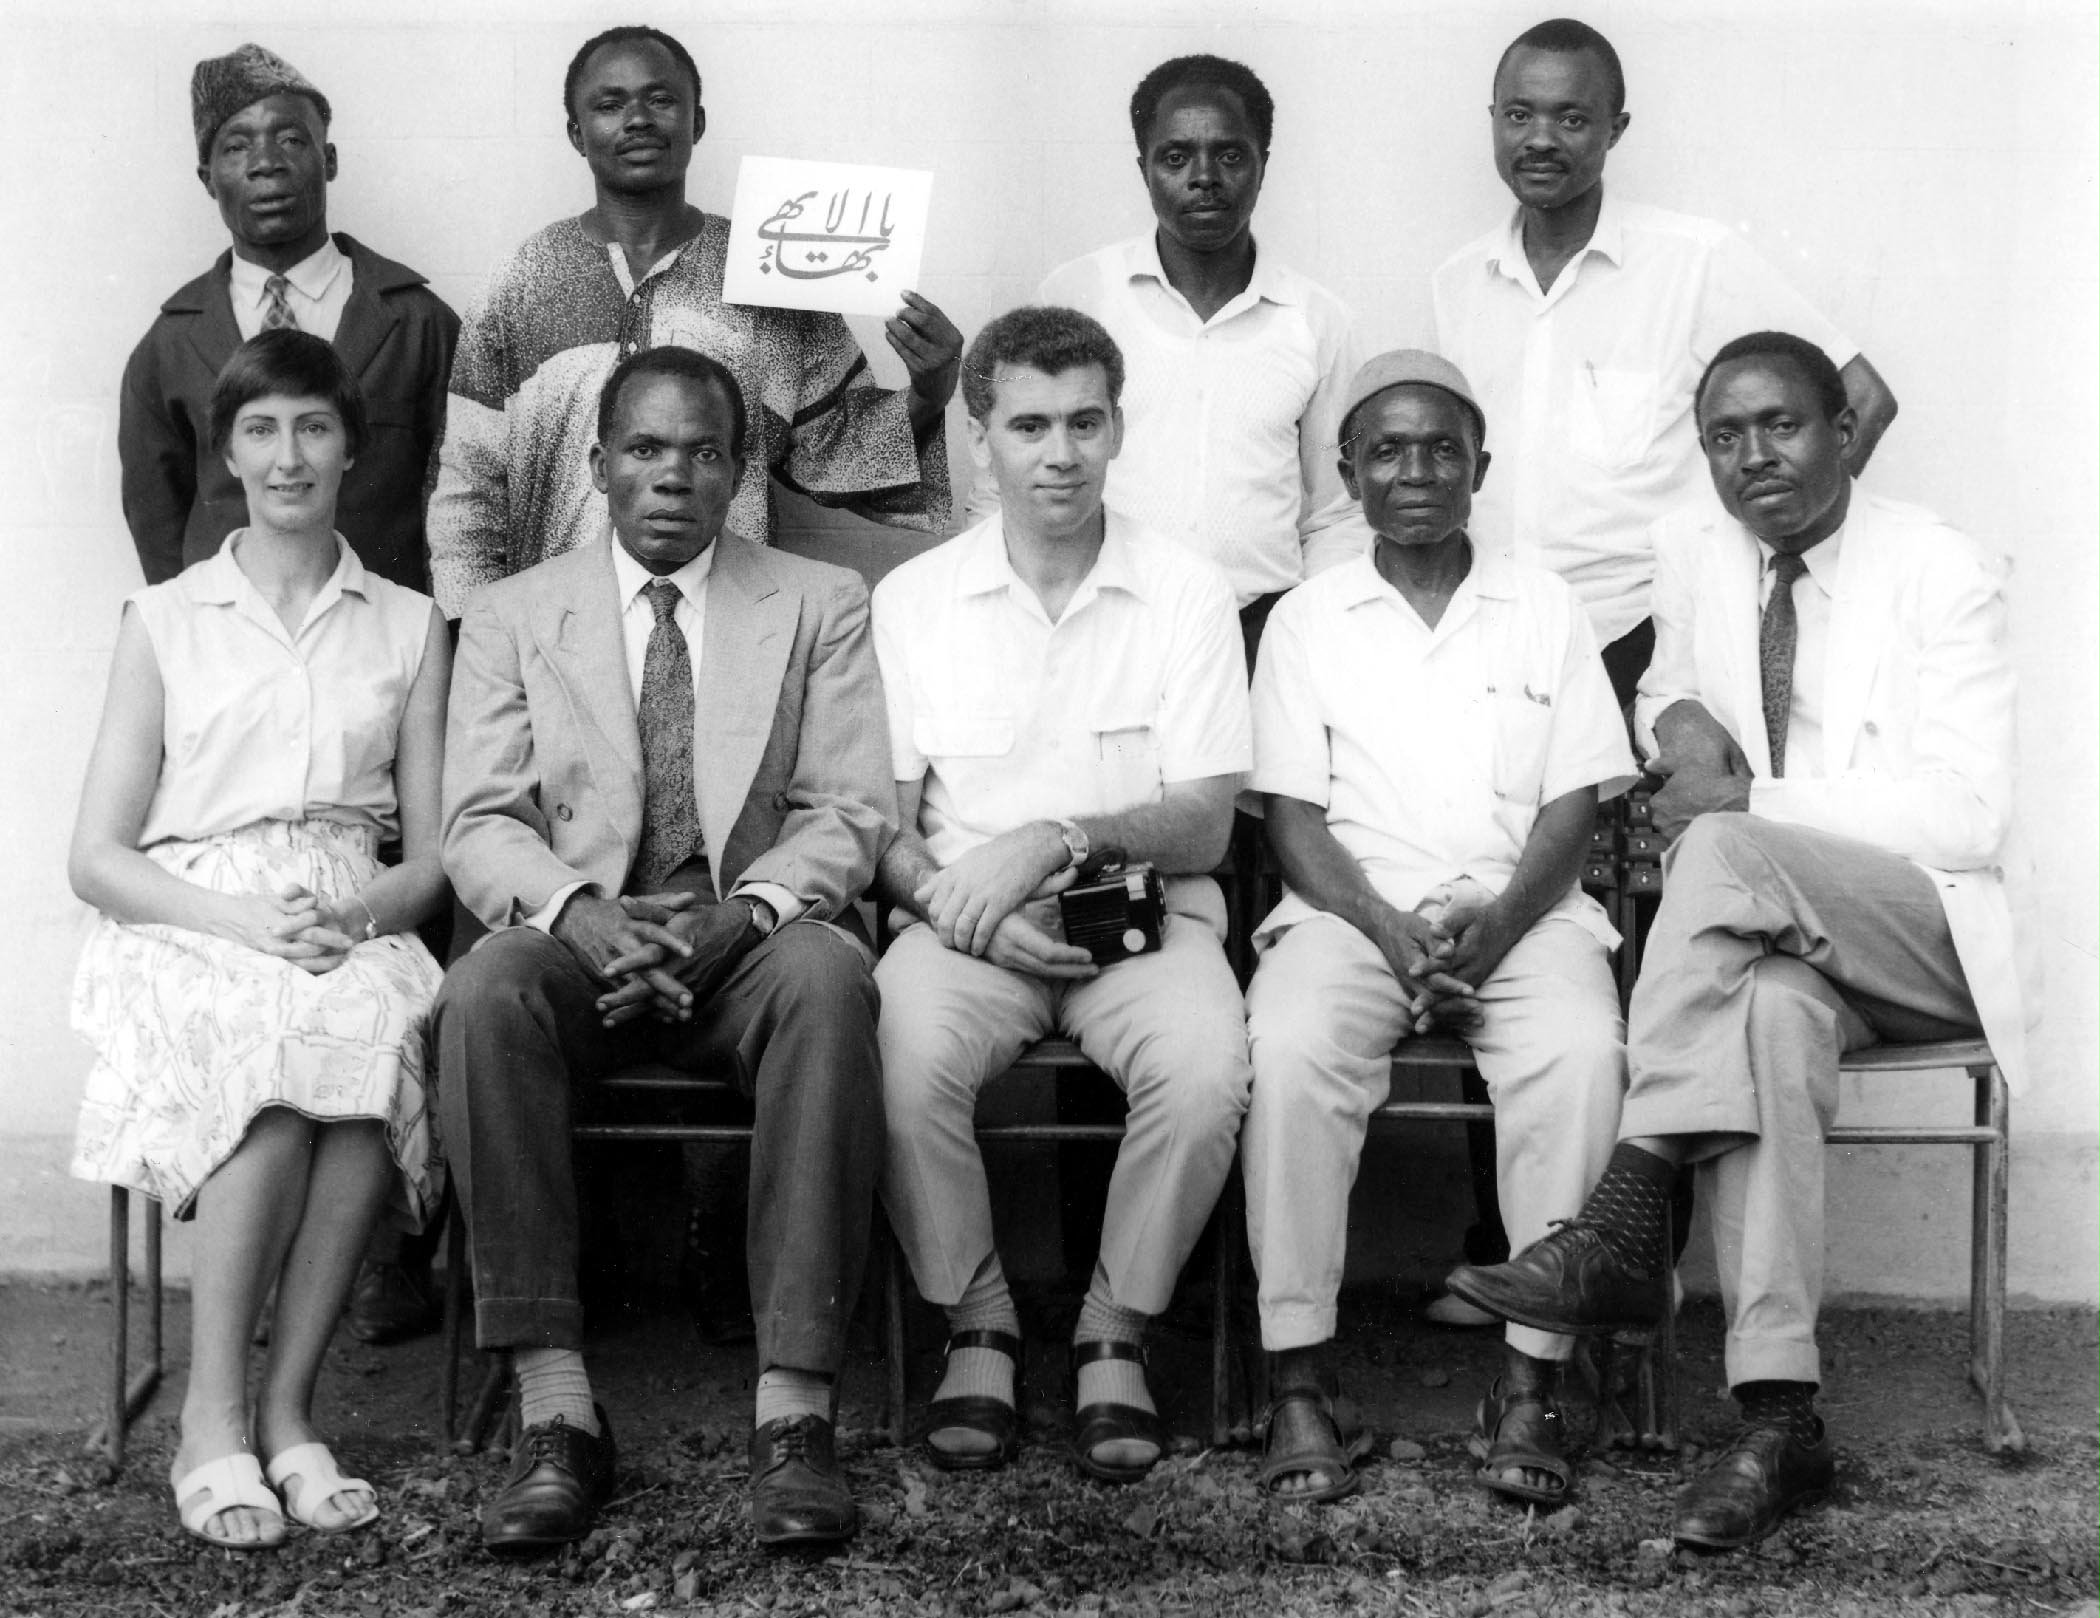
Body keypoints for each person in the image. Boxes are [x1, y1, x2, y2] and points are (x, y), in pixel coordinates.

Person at [1447, 332, 2038, 1549]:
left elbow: (1969, 813)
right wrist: (1681, 715)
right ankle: (1780, 1418)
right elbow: (1663, 677)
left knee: (1714, 852)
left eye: (1781, 425)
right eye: (1724, 435)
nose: (1752, 456)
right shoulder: (1698, 552)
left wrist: (1749, 809)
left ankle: (1625, 1211)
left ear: (1843, 430)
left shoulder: (1943, 567)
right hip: (1776, 947)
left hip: (1922, 932)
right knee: (1763, 1011)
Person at [436, 346, 894, 1552]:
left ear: (740, 471)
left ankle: (793, 1415)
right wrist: (580, 914)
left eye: (702, 451)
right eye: (644, 448)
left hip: (744, 933)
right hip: (584, 927)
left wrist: (743, 913)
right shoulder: (515, 613)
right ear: (597, 464)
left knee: (833, 979)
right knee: (484, 994)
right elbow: (480, 817)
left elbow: (846, 807)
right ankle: (557, 1412)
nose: (672, 476)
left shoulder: (816, 600)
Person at [70, 331, 452, 1550]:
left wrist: (356, 915)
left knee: (371, 1025)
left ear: (352, 445)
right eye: (261, 430)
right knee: (270, 1047)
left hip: (346, 909)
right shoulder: (168, 619)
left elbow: (435, 855)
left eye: (313, 428)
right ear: (227, 453)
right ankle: (208, 1417)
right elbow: (98, 856)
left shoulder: (407, 622)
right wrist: (241, 921)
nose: (289, 456)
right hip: (192, 914)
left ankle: (287, 1415)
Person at [1239, 350, 1635, 1505]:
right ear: (1348, 472)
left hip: (1526, 915)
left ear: (1481, 468)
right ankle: (1299, 1381)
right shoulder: (1309, 618)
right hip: (1345, 915)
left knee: (1578, 1059)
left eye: (1443, 449)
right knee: (1294, 1052)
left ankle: (1530, 1385)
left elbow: (1575, 803)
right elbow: (1291, 817)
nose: (1417, 470)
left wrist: (1496, 932)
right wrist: (1386, 928)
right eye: (1389, 451)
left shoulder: (1548, 604)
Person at [873, 307, 1253, 1483]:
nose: (1060, 452)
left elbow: (1204, 817)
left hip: (1137, 914)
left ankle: (1113, 1327)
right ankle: (977, 1320)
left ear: (1119, 427)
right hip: (964, 923)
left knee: (1205, 1071)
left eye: (1086, 421)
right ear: (979, 435)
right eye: (1028, 424)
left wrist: (1049, 840)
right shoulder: (914, 598)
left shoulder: (1187, 589)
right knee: (894, 1051)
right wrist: (952, 901)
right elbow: (880, 832)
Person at [1433, 17, 1898, 707]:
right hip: (1491, 635)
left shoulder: (1694, 261)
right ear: (1493, 120)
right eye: (1520, 114)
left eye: (1572, 119)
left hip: (1645, 640)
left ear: (1615, 130)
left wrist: (1762, 557)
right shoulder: (1458, 282)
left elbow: (1861, 394)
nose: (1539, 139)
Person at [427, 22, 961, 619]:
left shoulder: (768, 277)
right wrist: (469, 633)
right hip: (551, 633)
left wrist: (930, 391)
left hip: (729, 628)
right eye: (609, 105)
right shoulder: (521, 281)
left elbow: (835, 448)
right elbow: (467, 490)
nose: (637, 119)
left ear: (696, 122)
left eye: (661, 100)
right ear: (577, 134)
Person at [1008, 54, 1361, 661]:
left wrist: (1307, 637)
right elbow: (1013, 479)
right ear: (1143, 166)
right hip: (1104, 627)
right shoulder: (1078, 295)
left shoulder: (1317, 318)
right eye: (1176, 157)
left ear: (1262, 165)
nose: (1204, 177)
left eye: (1229, 155)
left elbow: (1336, 513)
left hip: (1263, 632)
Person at [121, 43, 459, 593]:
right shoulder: (171, 344)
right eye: (236, 147)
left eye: (291, 139)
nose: (266, 163)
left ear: (328, 159)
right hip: (232, 653)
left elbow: (463, 503)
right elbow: (156, 521)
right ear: (208, 178)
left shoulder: (418, 323)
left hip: (382, 643)